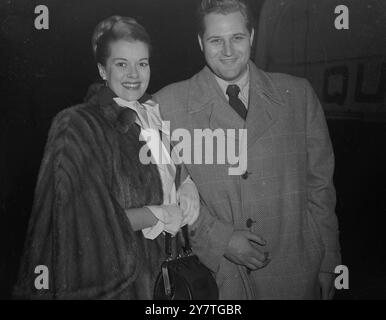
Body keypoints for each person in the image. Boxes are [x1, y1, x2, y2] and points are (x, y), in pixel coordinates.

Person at [154, 0, 341, 299]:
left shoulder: (299, 96)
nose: (228, 51)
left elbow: (320, 188)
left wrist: (329, 262)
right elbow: (164, 193)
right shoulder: (166, 106)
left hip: (295, 275)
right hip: (219, 281)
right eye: (216, 40)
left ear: (252, 37)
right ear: (200, 42)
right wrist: (221, 241)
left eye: (237, 38)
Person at [13, 16, 199, 299]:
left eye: (142, 63)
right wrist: (157, 214)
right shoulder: (80, 125)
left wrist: (186, 182)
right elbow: (81, 223)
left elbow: (164, 172)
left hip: (163, 278)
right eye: (121, 64)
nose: (134, 74)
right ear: (102, 70)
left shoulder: (151, 114)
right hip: (121, 287)